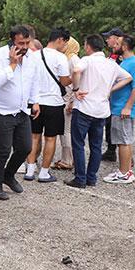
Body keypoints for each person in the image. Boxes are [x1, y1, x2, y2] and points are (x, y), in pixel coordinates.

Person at [66, 34, 132, 188]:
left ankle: (80, 178)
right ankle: (91, 178)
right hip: (102, 109)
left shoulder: (87, 60)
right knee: (96, 146)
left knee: (78, 144)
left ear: (88, 46)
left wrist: (76, 89)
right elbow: (127, 77)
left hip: (84, 107)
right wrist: (110, 89)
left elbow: (76, 70)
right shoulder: (111, 64)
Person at [0, 25, 38, 200]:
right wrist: (13, 64)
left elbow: (32, 80)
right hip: (0, 110)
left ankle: (8, 175)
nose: (24, 47)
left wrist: (35, 101)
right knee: (3, 150)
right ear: (12, 41)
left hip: (21, 110)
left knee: (25, 147)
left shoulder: (31, 57)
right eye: (20, 43)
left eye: (27, 42)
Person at [23, 28, 72, 182]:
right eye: (65, 43)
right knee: (50, 138)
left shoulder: (33, 56)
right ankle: (44, 172)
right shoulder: (60, 58)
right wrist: (74, 79)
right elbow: (64, 81)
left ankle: (30, 169)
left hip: (35, 102)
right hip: (53, 103)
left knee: (34, 136)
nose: (65, 46)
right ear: (60, 40)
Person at [104, 35, 135, 184]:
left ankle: (124, 173)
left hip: (124, 109)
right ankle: (125, 169)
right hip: (118, 107)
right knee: (121, 140)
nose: (114, 45)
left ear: (124, 47)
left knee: (124, 140)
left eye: (117, 44)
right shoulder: (125, 62)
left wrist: (128, 107)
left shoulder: (134, 64)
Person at [54, 37, 81, 170]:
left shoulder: (71, 59)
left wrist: (71, 101)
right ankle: (70, 158)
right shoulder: (71, 58)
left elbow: (76, 82)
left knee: (66, 131)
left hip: (68, 99)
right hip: (68, 98)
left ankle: (67, 159)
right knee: (66, 131)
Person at [101, 28, 125, 162]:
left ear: (116, 38)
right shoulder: (112, 54)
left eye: (109, 37)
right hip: (111, 96)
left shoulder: (122, 56)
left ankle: (125, 158)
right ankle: (111, 150)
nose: (107, 40)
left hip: (119, 95)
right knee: (110, 124)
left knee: (120, 129)